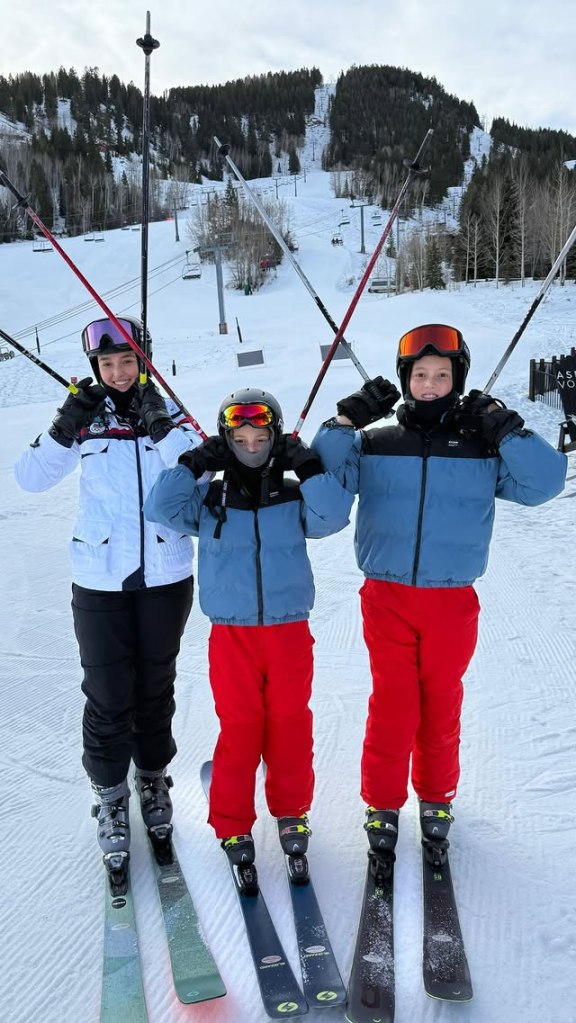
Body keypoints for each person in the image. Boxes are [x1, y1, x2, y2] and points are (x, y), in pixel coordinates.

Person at [312, 323, 567, 866]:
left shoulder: (481, 447)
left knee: (441, 702)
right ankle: (382, 803)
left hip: (452, 600)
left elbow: (545, 483)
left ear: (458, 380)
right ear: (405, 380)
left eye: (442, 376)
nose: (430, 385)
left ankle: (436, 797)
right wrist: (344, 421)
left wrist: (506, 429)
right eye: (420, 375)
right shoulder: (376, 443)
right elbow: (320, 474)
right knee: (393, 702)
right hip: (387, 596)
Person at [14, 315, 202, 889]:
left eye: (128, 363)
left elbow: (199, 474)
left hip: (166, 574)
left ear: (145, 361)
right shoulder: (87, 420)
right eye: (107, 364)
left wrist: (159, 423)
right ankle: (111, 794)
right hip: (98, 578)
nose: (118, 374)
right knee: (107, 693)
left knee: (156, 685)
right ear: (94, 368)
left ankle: (152, 778)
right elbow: (29, 477)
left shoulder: (169, 411)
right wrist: (65, 423)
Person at [143, 387, 350, 883]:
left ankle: (292, 811)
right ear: (226, 441)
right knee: (240, 729)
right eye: (239, 440)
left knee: (290, 726)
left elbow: (333, 516)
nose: (251, 447)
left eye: (261, 438)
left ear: (276, 438)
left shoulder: (294, 495)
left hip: (288, 633)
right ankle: (233, 823)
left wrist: (309, 467)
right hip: (232, 637)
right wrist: (194, 462)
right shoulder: (209, 499)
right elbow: (160, 507)